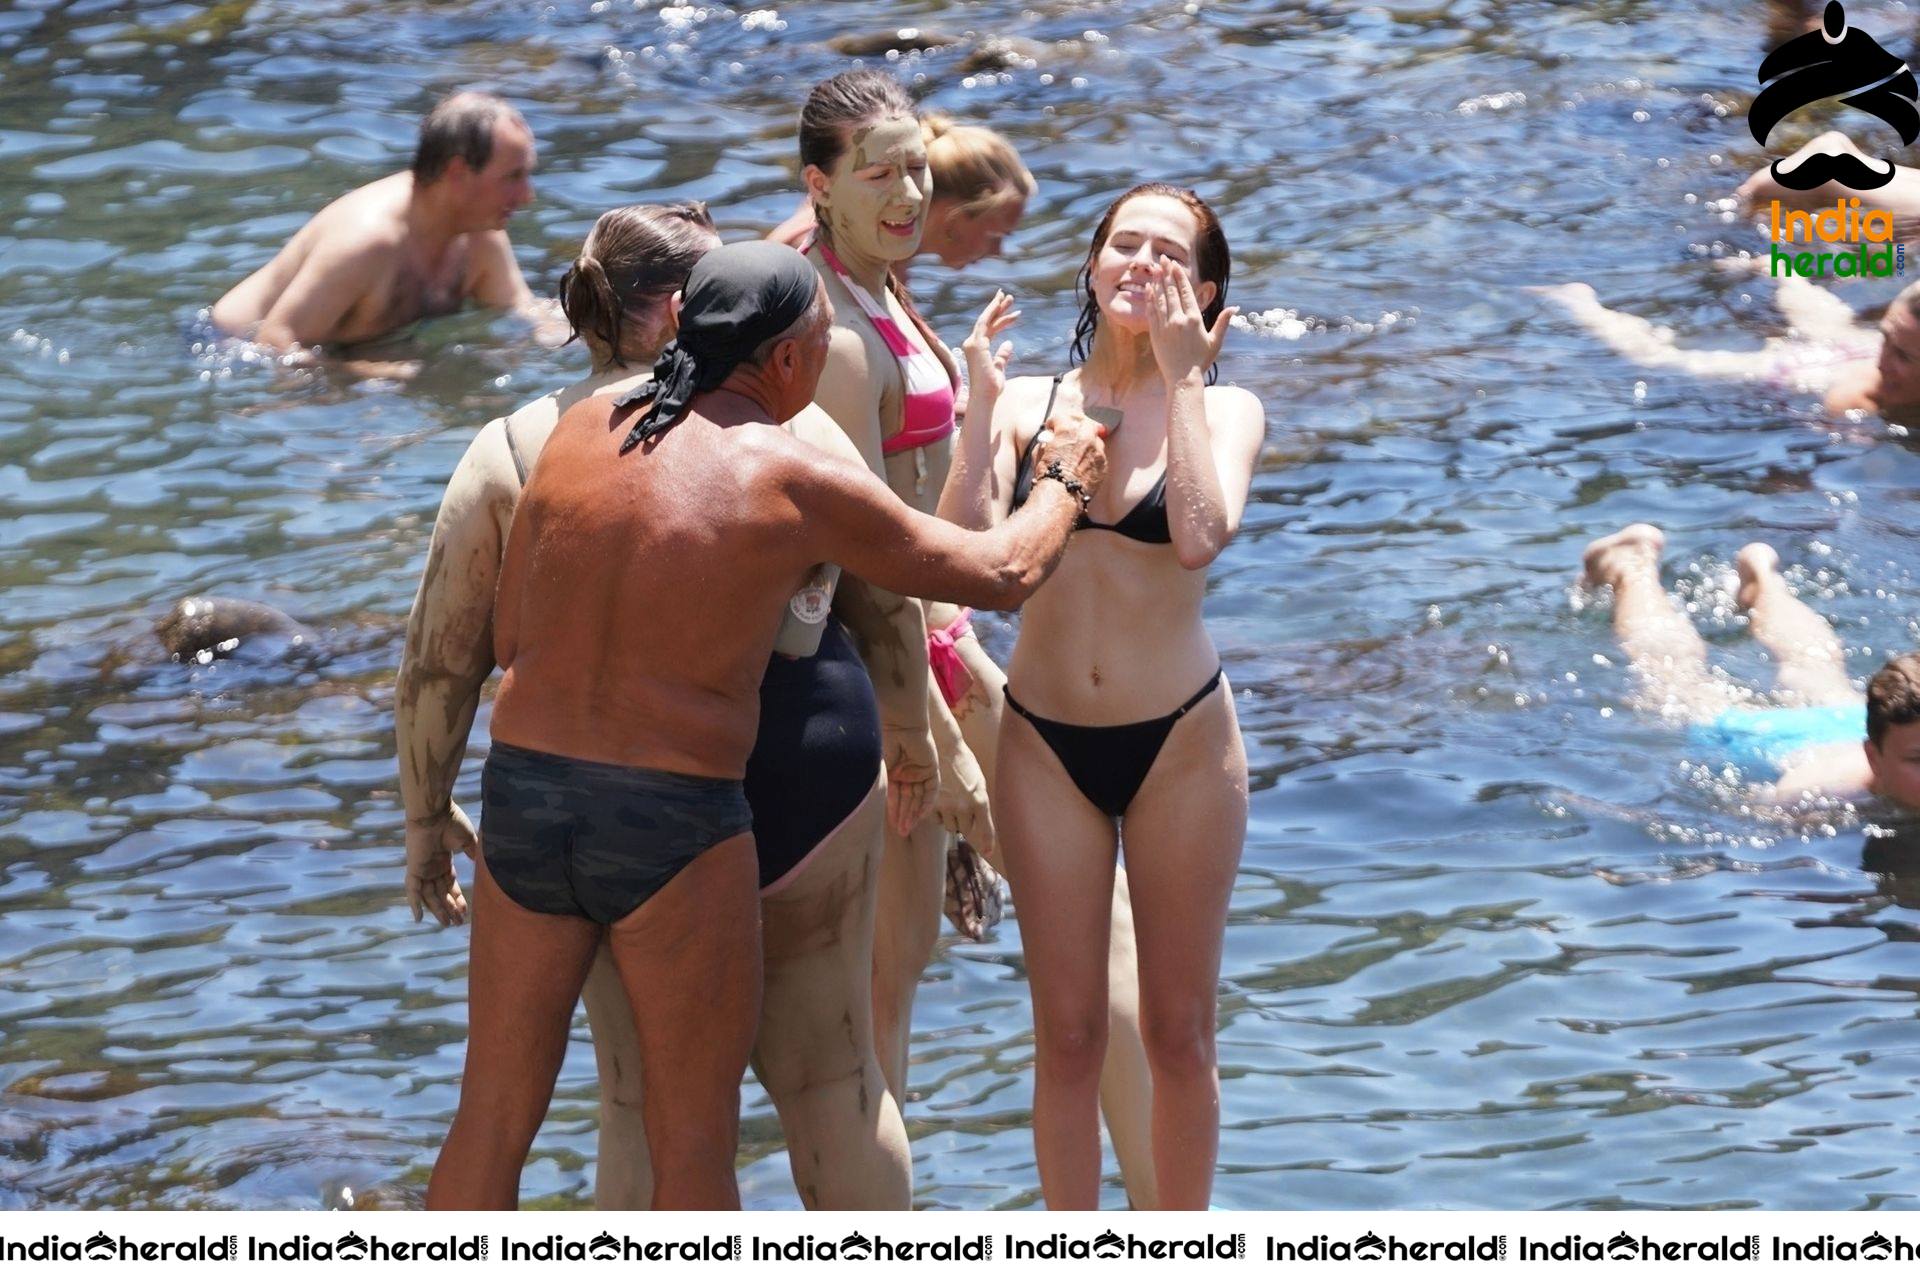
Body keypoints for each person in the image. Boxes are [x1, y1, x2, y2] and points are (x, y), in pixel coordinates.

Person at [421, 240, 1108, 1210]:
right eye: (821, 351)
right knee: (693, 1143)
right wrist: (1064, 484)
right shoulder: (785, 472)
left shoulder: (578, 429)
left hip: (525, 798)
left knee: (489, 1119)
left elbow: (510, 624)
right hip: (669, 821)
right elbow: (997, 572)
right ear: (784, 362)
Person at [396, 202, 914, 1210]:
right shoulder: (791, 434)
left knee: (632, 1104)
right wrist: (928, 752)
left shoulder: (516, 448)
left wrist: (425, 816)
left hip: (592, 796)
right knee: (835, 1088)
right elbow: (891, 608)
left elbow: (438, 664)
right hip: (798, 777)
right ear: (682, 311)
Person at [792, 69, 1161, 1205]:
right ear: (820, 187)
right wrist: (922, 731)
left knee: (914, 987)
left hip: (934, 661)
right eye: (877, 173)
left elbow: (920, 521)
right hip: (897, 680)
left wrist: (978, 399)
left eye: (917, 168)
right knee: (911, 989)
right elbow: (861, 557)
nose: (908, 193)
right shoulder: (834, 326)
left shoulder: (883, 293)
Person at [939, 182, 1265, 1209]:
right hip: (1044, 745)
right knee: (1068, 1033)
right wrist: (977, 412)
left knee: (1177, 1029)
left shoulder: (1226, 410)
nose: (1141, 263)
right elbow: (965, 566)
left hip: (1181, 745)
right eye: (1124, 244)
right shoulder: (1032, 403)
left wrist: (1183, 382)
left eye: (1169, 256)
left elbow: (1202, 535)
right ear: (1090, 264)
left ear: (1206, 293)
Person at [1581, 523, 1920, 810]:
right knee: (1673, 677)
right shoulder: (1819, 789)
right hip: (1764, 732)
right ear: (1874, 758)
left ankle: (1763, 581)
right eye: (1918, 762)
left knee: (1815, 665)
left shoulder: (1898, 737)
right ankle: (1631, 567)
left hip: (1847, 716)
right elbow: (1750, 817)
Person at [212, 91, 552, 353]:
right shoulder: (366, 242)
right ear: (457, 173)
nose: (526, 196)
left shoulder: (478, 232)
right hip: (229, 346)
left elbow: (521, 309)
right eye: (513, 177)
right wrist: (366, 372)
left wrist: (592, 335)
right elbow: (274, 343)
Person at [1534, 271, 1920, 415]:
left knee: (1825, 318)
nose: (1884, 360)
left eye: (1902, 355)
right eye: (1887, 337)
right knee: (1655, 358)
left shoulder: (1881, 354)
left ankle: (1776, 272)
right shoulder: (1861, 398)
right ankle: (1579, 301)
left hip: (1851, 345)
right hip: (1796, 370)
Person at [771, 112, 1036, 271]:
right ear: (952, 217)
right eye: (995, 235)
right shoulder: (835, 251)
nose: (998, 251)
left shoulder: (877, 241)